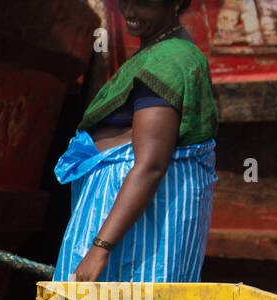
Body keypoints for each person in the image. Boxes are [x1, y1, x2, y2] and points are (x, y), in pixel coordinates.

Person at [54, 0, 217, 282]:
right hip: (124, 219)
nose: (129, 12)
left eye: (142, 3)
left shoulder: (168, 62)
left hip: (132, 231)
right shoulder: (161, 49)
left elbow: (151, 165)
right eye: (124, 2)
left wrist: (100, 248)